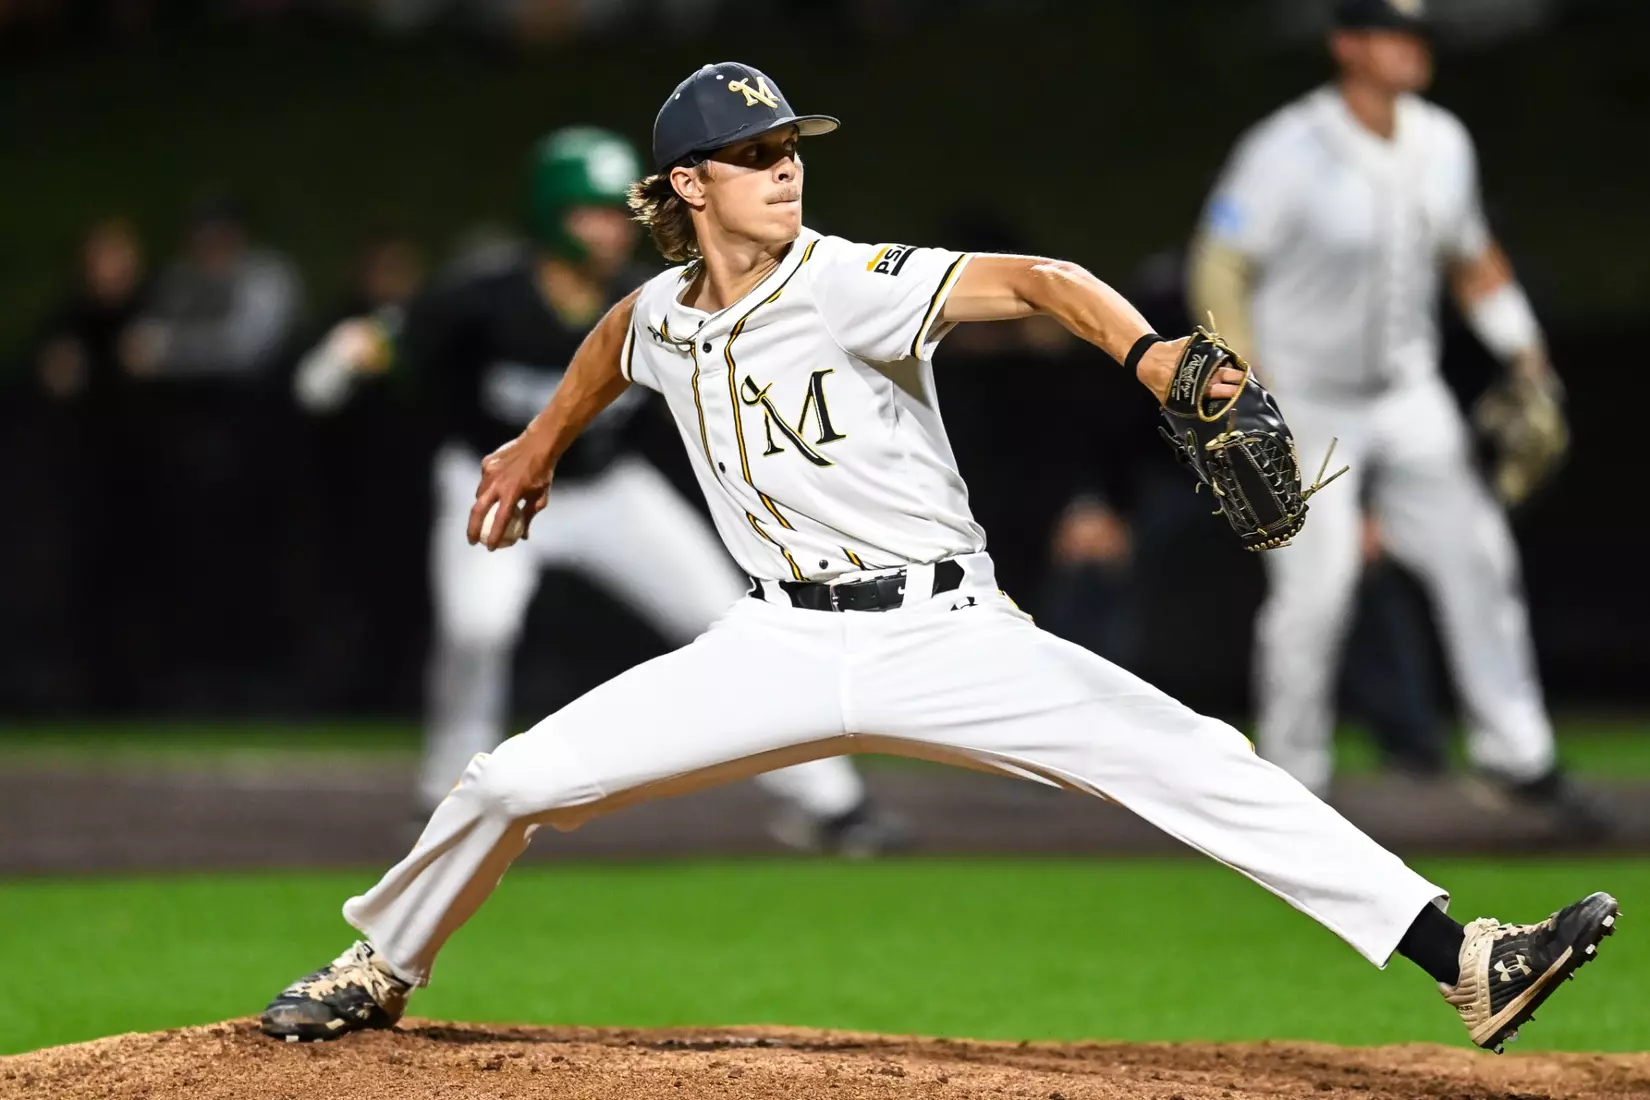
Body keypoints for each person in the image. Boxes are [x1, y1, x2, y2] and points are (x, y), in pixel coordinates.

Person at [261, 61, 1616, 1054]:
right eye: (756, 151)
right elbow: (619, 339)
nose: (787, 166)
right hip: (778, 642)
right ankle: (382, 964)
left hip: (948, 636)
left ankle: (1466, 962)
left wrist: (1145, 353)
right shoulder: (665, 311)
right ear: (686, 185)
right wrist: (536, 446)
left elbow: (1033, 278)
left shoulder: (847, 278)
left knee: (1200, 759)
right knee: (510, 780)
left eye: (791, 144)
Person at [293, 126, 905, 855]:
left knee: (735, 619)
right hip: (500, 482)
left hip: (607, 486)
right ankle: (445, 801)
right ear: (552, 216)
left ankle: (830, 803)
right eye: (592, 213)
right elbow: (397, 336)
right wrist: (345, 353)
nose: (613, 229)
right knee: (477, 627)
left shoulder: (649, 296)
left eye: (619, 212)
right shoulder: (487, 293)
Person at [1186, 0, 1602, 829]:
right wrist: (1236, 381)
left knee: (1478, 558)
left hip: (1409, 393)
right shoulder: (1286, 147)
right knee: (1318, 587)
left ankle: (1518, 756)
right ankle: (1290, 779)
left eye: (1417, 35)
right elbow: (1221, 261)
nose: (1412, 48)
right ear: (1347, 45)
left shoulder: (1443, 140)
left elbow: (1471, 252)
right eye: (1391, 33)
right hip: (1307, 393)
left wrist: (1524, 349)